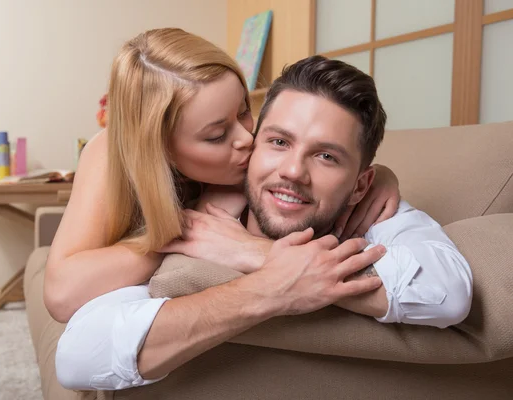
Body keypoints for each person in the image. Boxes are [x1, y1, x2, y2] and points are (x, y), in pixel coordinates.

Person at [54, 55, 473, 391]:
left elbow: (446, 293)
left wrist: (256, 256)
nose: (293, 170)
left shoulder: (373, 208)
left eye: (327, 156)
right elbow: (77, 354)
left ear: (361, 183)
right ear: (255, 150)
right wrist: (265, 289)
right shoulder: (195, 208)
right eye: (278, 141)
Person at [44, 28, 400, 323]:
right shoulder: (110, 154)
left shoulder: (244, 157)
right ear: (159, 149)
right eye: (217, 136)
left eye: (245, 111)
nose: (247, 139)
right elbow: (62, 294)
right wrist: (184, 228)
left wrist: (378, 175)